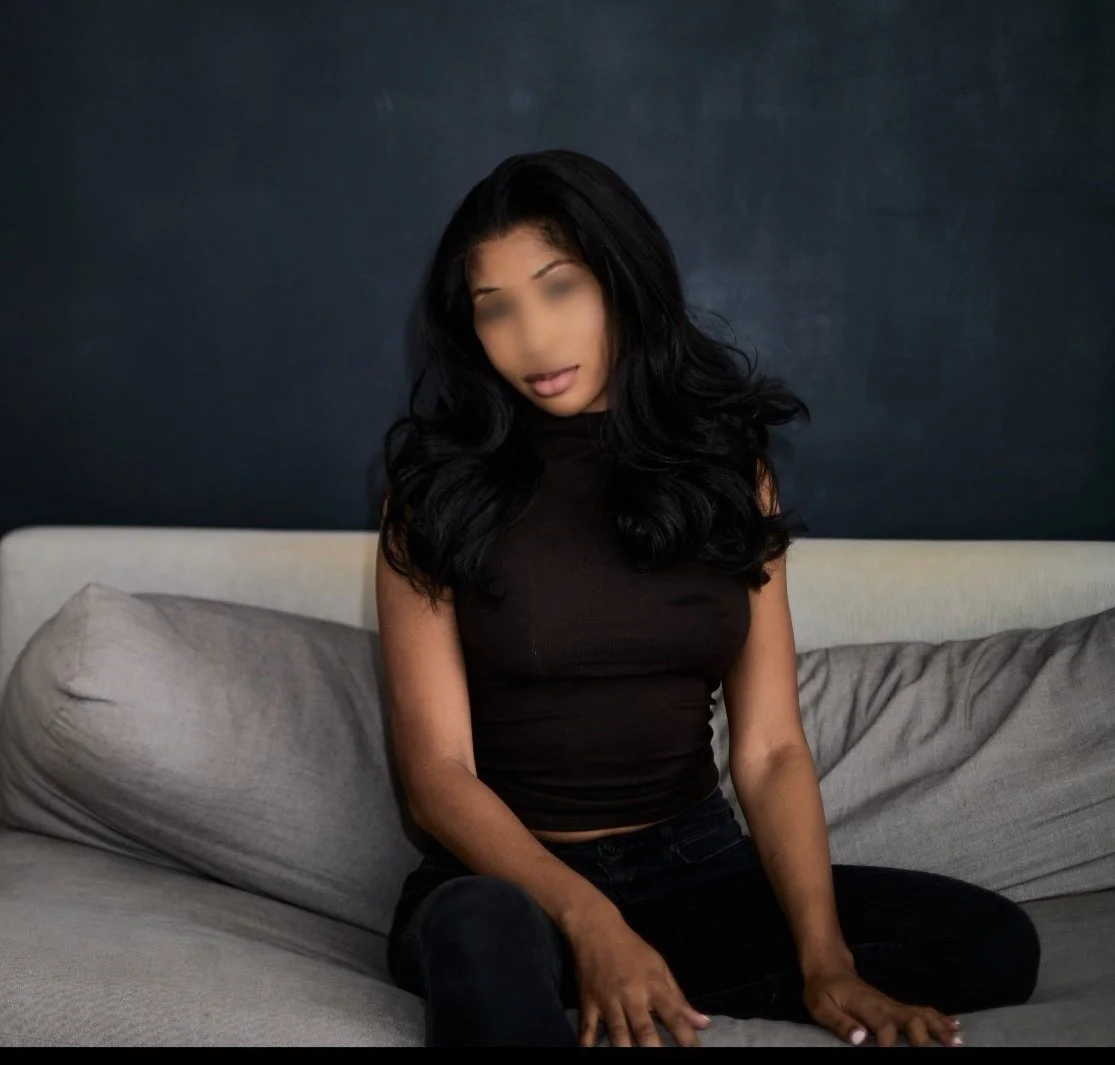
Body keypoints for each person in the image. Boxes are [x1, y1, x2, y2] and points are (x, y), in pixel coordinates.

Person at [374, 149, 1040, 1048]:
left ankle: (647, 981)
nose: (531, 337)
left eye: (558, 288)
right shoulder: (436, 493)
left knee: (994, 943)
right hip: (510, 882)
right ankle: (586, 972)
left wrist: (825, 959)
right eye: (496, 308)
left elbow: (768, 749)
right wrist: (591, 920)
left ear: (621, 278)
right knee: (481, 935)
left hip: (690, 866)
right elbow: (436, 780)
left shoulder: (727, 469)